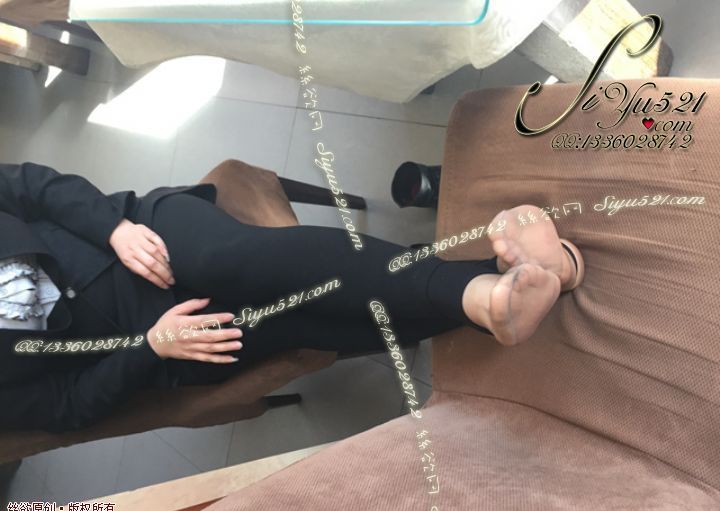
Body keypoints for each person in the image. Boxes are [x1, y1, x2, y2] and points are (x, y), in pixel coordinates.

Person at [0, 161, 584, 433]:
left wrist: (113, 228)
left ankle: (481, 295)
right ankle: (524, 278)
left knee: (234, 260)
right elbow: (66, 408)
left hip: (143, 234)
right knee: (306, 313)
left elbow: (30, 186)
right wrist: (151, 348)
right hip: (161, 339)